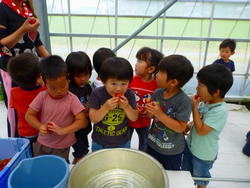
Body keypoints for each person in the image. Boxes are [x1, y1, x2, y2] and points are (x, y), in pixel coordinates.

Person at [0, 0, 49, 138]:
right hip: (14, 73)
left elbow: (36, 43)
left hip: (32, 71)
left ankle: (37, 141)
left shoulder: (26, 9)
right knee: (15, 113)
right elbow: (2, 45)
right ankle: (18, 146)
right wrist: (23, 29)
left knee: (34, 109)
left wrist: (52, 61)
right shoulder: (3, 9)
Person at [25, 55, 87, 163]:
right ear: (44, 82)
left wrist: (63, 131)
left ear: (67, 78)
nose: (59, 91)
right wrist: (39, 126)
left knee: (58, 169)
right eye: (52, 88)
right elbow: (29, 115)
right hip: (42, 142)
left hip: (61, 146)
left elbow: (82, 121)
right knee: (40, 166)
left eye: (63, 85)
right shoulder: (42, 96)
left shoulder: (72, 99)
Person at [181, 63, 233, 188]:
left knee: (200, 179)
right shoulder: (206, 102)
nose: (197, 89)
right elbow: (201, 120)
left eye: (200, 85)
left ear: (215, 92)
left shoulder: (219, 111)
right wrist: (190, 124)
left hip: (203, 155)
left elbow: (201, 130)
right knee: (186, 173)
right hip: (190, 147)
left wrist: (194, 107)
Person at [145, 55, 194, 170]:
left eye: (161, 73)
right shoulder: (157, 93)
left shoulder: (184, 101)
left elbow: (180, 128)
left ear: (173, 82)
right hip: (153, 143)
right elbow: (151, 116)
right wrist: (149, 110)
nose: (156, 75)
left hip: (171, 151)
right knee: (152, 171)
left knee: (171, 176)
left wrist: (160, 114)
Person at [88, 57, 138, 152]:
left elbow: (134, 117)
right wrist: (106, 107)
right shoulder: (97, 94)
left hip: (122, 141)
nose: (119, 89)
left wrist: (127, 107)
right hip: (100, 142)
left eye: (124, 84)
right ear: (103, 81)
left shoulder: (129, 94)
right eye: (114, 83)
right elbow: (93, 119)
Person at [7, 52, 46, 155]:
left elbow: (13, 106)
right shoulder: (44, 90)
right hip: (41, 131)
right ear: (39, 74)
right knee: (40, 155)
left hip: (24, 133)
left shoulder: (14, 92)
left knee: (27, 156)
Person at [128, 47, 163, 152]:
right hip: (129, 119)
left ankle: (143, 157)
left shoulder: (156, 86)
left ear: (151, 69)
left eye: (140, 61)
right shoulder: (132, 80)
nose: (136, 64)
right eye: (137, 60)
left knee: (144, 143)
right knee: (126, 141)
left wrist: (148, 109)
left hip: (145, 121)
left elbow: (156, 104)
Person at [66, 51, 92, 164]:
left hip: (84, 128)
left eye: (86, 74)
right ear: (69, 75)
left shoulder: (88, 87)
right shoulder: (68, 90)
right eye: (78, 76)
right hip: (73, 130)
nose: (83, 79)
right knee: (80, 152)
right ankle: (76, 170)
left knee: (84, 150)